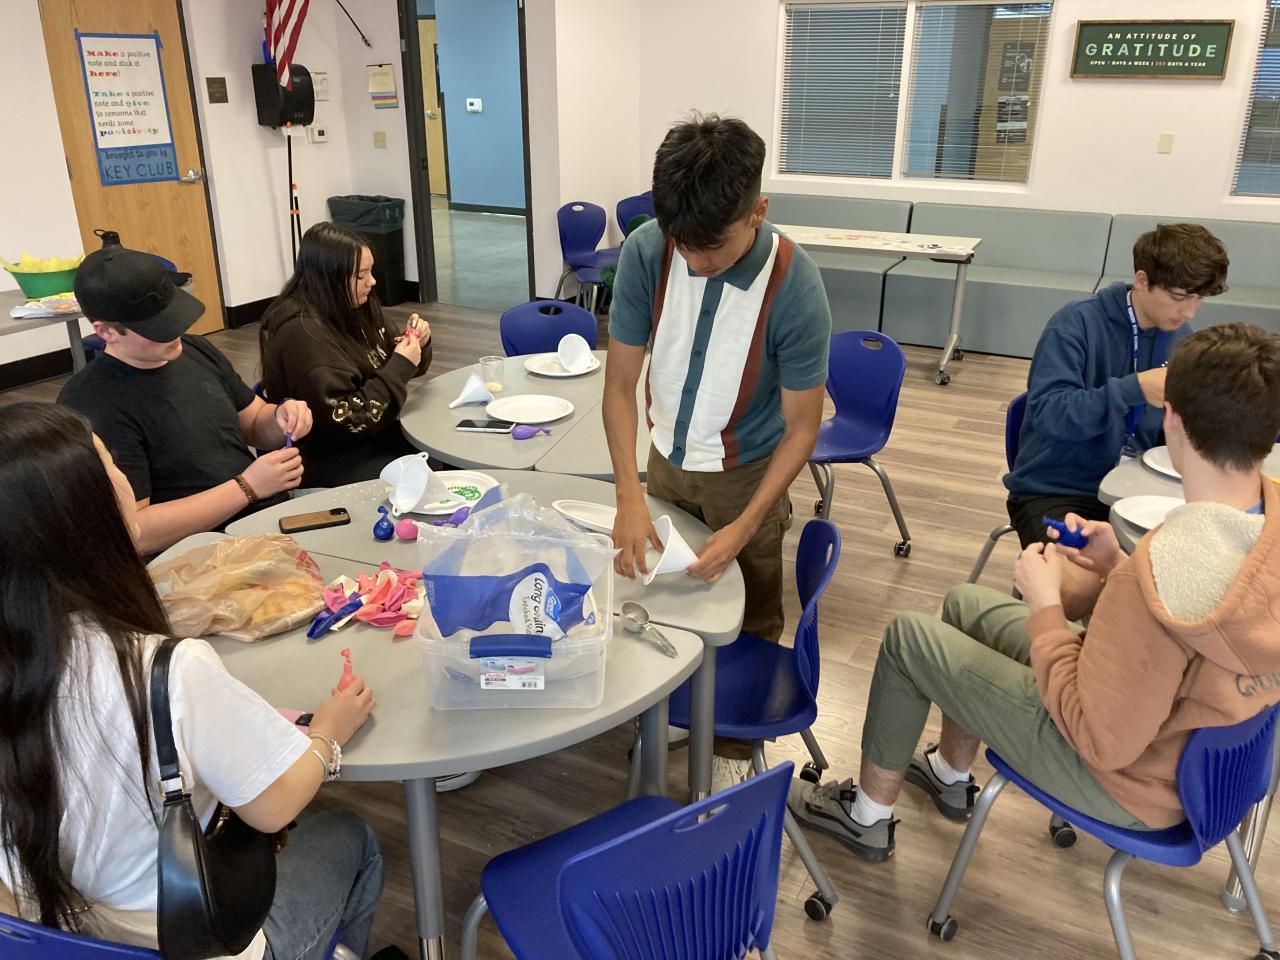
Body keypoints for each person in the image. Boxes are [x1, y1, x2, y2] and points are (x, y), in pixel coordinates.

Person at [788, 323, 1280, 862]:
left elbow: (1100, 739)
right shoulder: (1261, 526)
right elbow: (1184, 626)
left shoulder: (1160, 571)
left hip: (1128, 782)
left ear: (1173, 419)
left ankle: (866, 818)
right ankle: (949, 774)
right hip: (1196, 762)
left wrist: (1046, 606)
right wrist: (1116, 566)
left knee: (909, 639)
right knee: (964, 604)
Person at [0, 402, 398, 960]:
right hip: (198, 942)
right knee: (350, 836)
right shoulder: (165, 670)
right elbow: (274, 807)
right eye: (111, 467)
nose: (126, 483)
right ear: (83, 514)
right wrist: (328, 734)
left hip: (61, 942)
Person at [603, 114, 832, 791]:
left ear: (758, 211)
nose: (696, 262)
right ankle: (673, 703)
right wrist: (628, 495)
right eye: (685, 244)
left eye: (714, 247)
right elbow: (618, 387)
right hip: (666, 462)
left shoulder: (796, 286)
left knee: (750, 613)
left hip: (747, 474)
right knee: (665, 596)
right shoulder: (649, 251)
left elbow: (802, 428)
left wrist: (746, 524)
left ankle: (733, 741)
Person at [57, 247, 313, 556]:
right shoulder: (92, 405)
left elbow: (256, 423)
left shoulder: (194, 350)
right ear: (106, 331)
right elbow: (137, 531)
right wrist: (246, 487)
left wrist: (282, 417)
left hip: (263, 515)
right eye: (158, 328)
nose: (176, 331)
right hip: (201, 551)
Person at [1004, 223, 1228, 561]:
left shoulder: (1180, 335)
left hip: (1140, 486)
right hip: (1058, 489)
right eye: (1179, 297)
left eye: (1199, 298)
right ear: (1142, 280)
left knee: (1197, 564)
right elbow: (1050, 415)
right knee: (1084, 577)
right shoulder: (1075, 324)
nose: (1189, 311)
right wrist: (1134, 388)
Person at [259, 222, 433, 488]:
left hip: (374, 435)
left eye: (370, 271)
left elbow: (397, 363)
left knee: (442, 451)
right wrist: (402, 363)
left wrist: (417, 344)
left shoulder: (355, 304)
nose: (372, 282)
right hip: (331, 455)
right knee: (432, 472)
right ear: (329, 278)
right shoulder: (302, 335)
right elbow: (351, 421)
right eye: (361, 275)